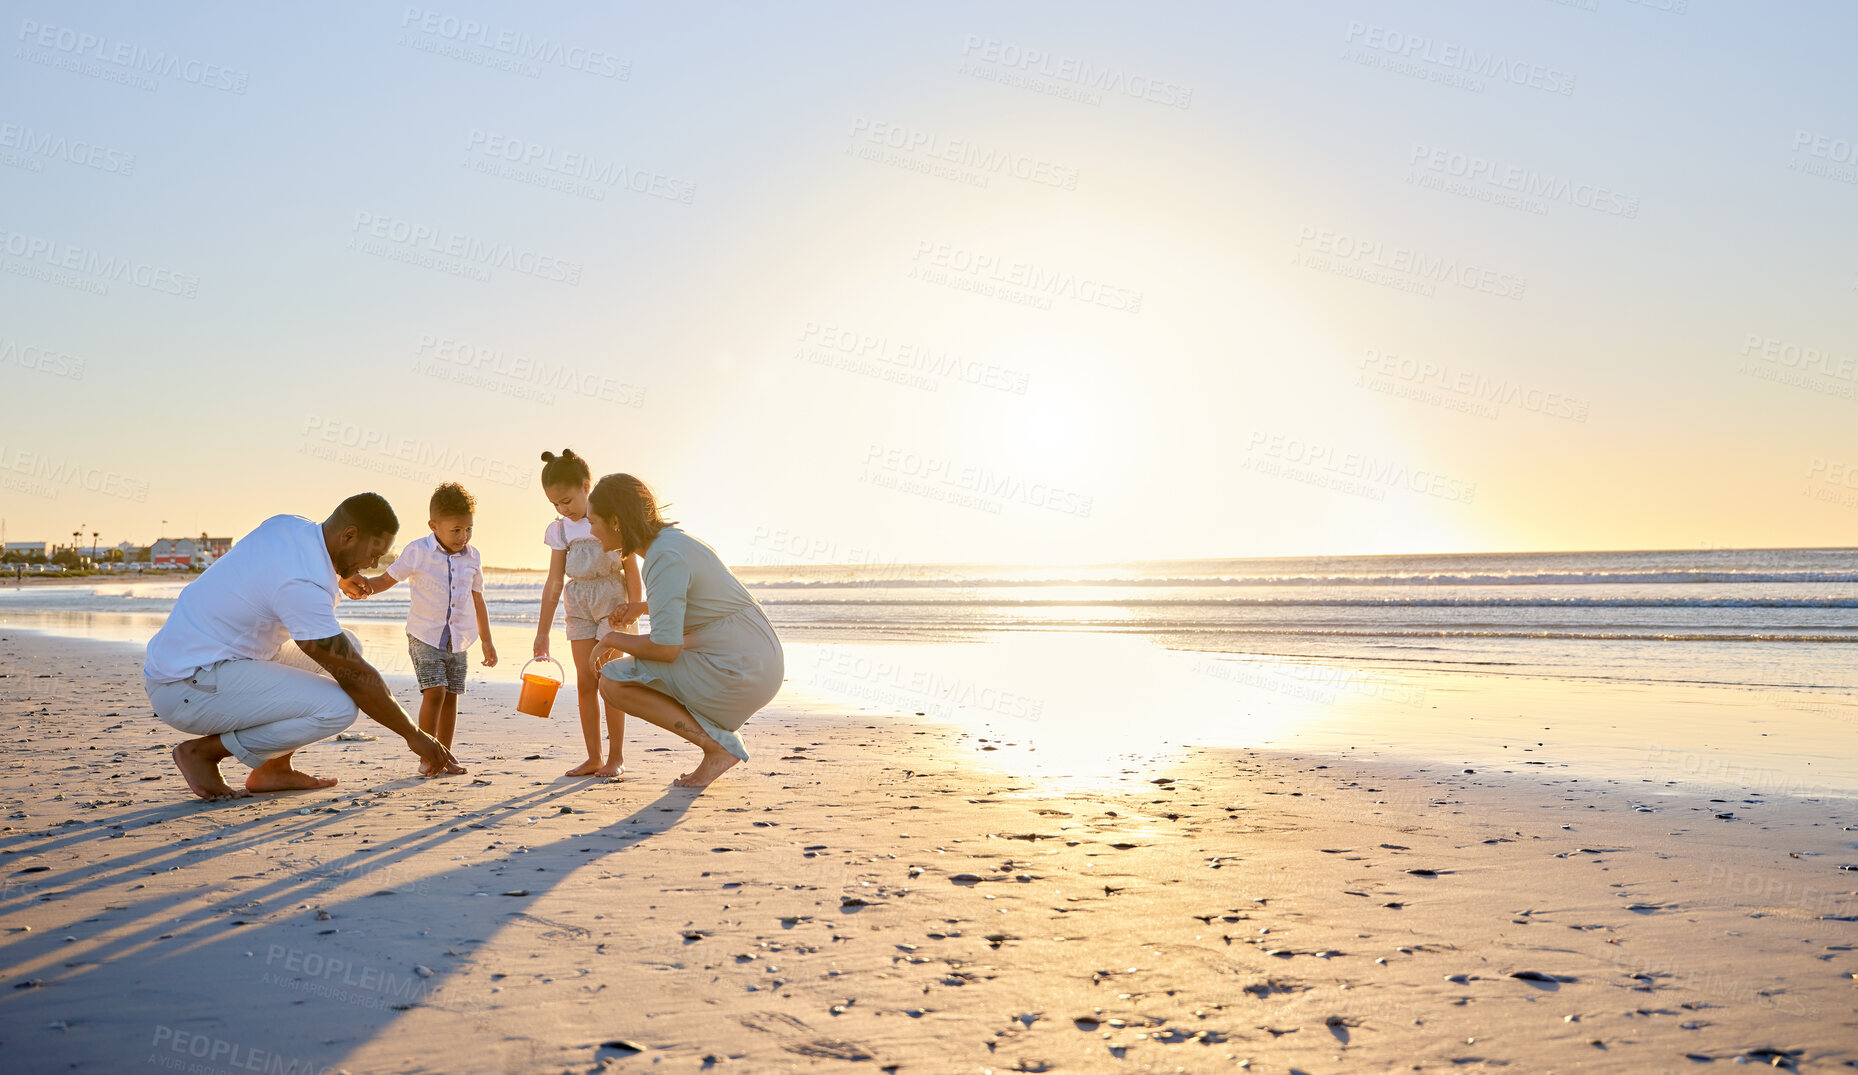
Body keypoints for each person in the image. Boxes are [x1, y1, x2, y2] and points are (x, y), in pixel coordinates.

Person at [141, 494, 459, 800]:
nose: (373, 564)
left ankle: (273, 769)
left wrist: (338, 575)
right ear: (349, 536)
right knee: (338, 706)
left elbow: (268, 570)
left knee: (349, 644)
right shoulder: (301, 586)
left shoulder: (290, 525)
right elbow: (356, 677)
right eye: (373, 554)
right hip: (186, 684)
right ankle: (202, 753)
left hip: (205, 658)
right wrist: (414, 736)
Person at [588, 474, 783, 788]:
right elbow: (700, 602)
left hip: (739, 669)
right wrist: (644, 607)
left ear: (615, 521)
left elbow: (666, 649)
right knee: (622, 676)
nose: (590, 530)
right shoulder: (672, 543)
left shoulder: (663, 556)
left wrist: (612, 638)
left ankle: (716, 748)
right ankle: (717, 744)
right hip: (755, 663)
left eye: (593, 521)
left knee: (612, 681)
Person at [339, 482, 494, 776]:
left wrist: (487, 640)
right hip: (424, 635)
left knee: (450, 697)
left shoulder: (472, 557)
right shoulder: (418, 551)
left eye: (468, 529)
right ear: (434, 525)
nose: (463, 537)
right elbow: (389, 577)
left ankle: (445, 755)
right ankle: (427, 754)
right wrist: (367, 587)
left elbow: (478, 598)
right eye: (456, 530)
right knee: (434, 692)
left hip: (459, 638)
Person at [533, 450, 640, 779]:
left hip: (612, 603)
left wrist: (634, 608)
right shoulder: (560, 531)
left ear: (586, 486)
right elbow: (554, 581)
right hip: (577, 605)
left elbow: (631, 571)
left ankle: (616, 757)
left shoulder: (610, 517)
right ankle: (594, 757)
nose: (563, 510)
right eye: (555, 505)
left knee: (610, 679)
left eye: (567, 501)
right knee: (585, 681)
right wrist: (542, 632)